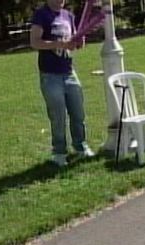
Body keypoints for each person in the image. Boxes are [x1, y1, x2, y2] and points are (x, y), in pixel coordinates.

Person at [30, 0, 95, 167]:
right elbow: (35, 42)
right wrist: (60, 44)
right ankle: (59, 152)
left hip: (69, 72)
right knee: (58, 116)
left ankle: (80, 146)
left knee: (78, 113)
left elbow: (74, 40)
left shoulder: (69, 15)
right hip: (50, 74)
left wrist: (79, 42)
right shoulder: (41, 14)